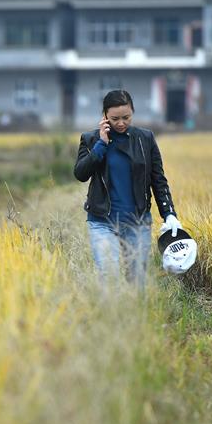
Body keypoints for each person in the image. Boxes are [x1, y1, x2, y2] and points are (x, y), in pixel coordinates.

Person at [73, 89, 182, 289]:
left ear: (132, 112)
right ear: (104, 116)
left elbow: (158, 180)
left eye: (126, 117)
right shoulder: (89, 139)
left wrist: (169, 214)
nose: (121, 123)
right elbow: (80, 174)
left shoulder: (145, 139)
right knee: (109, 275)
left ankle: (136, 317)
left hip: (137, 222)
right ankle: (112, 318)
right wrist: (101, 144)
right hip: (102, 222)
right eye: (115, 118)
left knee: (137, 280)